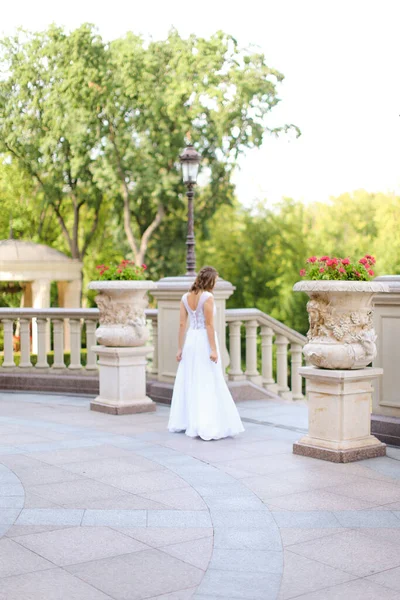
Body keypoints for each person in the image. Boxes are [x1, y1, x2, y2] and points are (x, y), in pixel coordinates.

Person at [168, 266, 244, 441]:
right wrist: (214, 349)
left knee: (191, 378)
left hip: (190, 340)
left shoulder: (185, 297)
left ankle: (189, 420)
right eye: (215, 280)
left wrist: (180, 348)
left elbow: (181, 325)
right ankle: (205, 422)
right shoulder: (208, 297)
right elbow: (209, 325)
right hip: (203, 340)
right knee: (207, 380)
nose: (216, 284)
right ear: (210, 281)